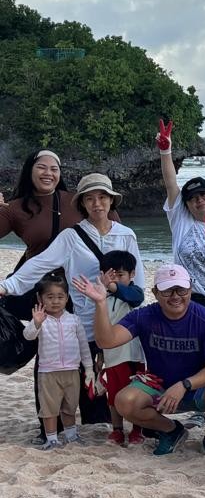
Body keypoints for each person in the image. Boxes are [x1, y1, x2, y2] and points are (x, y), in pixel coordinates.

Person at [0, 173, 141, 427]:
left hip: (117, 325)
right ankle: (50, 428)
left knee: (104, 391)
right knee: (62, 377)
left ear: (111, 200)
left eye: (103, 197)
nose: (97, 203)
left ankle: (103, 428)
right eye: (90, 198)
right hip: (83, 322)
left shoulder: (126, 235)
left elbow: (137, 285)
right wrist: (7, 287)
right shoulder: (71, 237)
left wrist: (113, 288)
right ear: (82, 204)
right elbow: (39, 265)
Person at [75, 264, 205, 457]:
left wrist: (184, 385)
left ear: (190, 289)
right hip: (160, 386)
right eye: (167, 291)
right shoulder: (144, 316)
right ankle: (171, 430)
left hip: (197, 387)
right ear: (155, 293)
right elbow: (106, 341)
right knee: (124, 401)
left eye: (181, 290)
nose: (175, 296)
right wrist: (101, 303)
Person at [157, 119, 205, 325]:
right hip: (191, 299)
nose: (200, 200)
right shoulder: (181, 221)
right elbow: (170, 184)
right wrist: (166, 151)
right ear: (186, 205)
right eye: (193, 198)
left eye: (204, 194)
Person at [22, 273, 93, 450]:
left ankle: (71, 435)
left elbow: (84, 346)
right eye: (50, 297)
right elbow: (28, 336)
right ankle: (52, 439)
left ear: (67, 298)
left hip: (72, 371)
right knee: (49, 408)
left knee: (70, 406)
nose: (55, 301)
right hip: (48, 372)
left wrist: (89, 369)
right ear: (40, 298)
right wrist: (36, 323)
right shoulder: (41, 320)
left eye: (60, 297)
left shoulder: (74, 320)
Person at [96, 249, 146, 446]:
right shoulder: (102, 299)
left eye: (120, 275)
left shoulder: (135, 293)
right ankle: (117, 430)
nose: (115, 279)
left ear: (132, 274)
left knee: (137, 393)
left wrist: (112, 286)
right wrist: (100, 354)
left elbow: (134, 297)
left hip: (135, 355)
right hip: (112, 355)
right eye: (111, 275)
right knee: (114, 394)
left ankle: (137, 429)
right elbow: (99, 328)